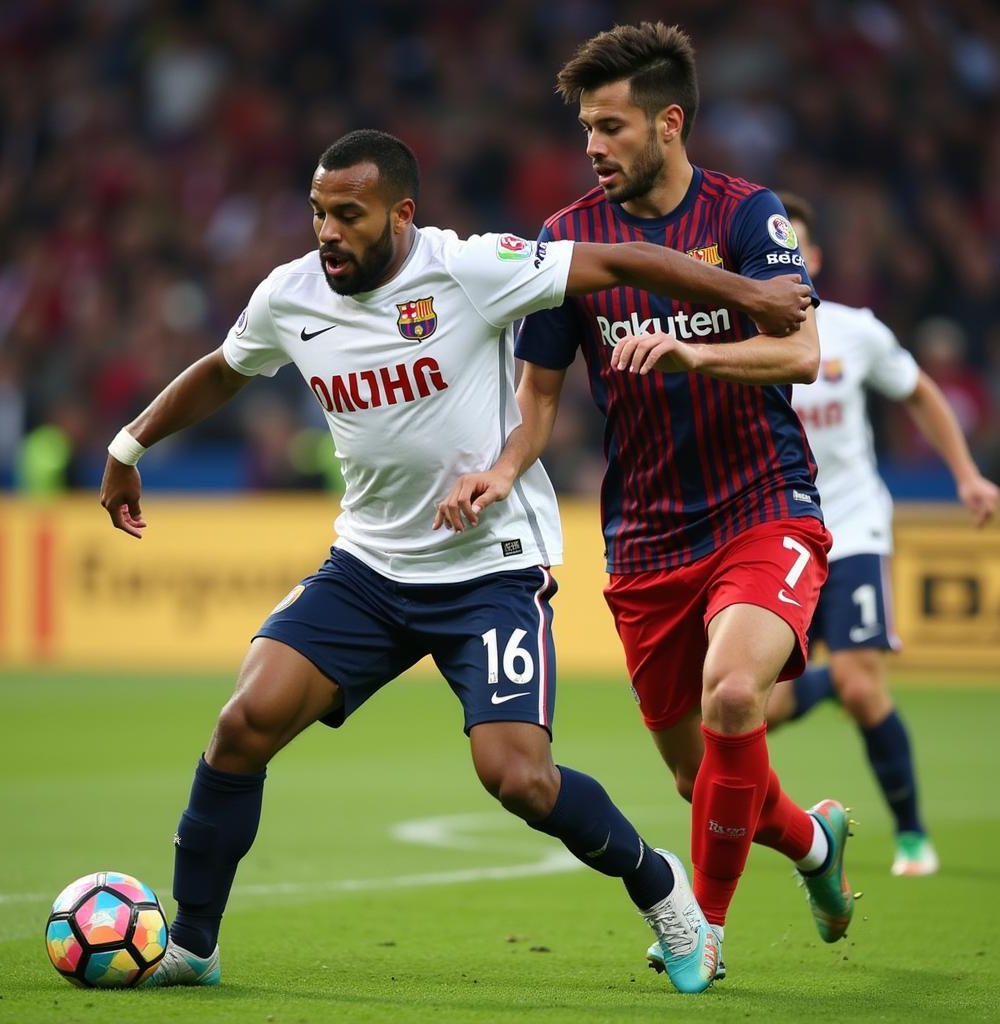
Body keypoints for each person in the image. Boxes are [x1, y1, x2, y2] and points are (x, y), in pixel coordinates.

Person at [99, 129, 811, 994]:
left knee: (518, 779)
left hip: (489, 570)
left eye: (348, 215)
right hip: (368, 567)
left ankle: (661, 889)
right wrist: (130, 443)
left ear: (400, 214)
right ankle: (194, 946)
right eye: (319, 212)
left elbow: (622, 264)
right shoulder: (291, 294)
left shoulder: (471, 269)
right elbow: (225, 369)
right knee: (244, 723)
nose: (327, 231)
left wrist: (751, 295)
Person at [439, 23, 855, 988]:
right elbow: (538, 399)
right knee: (696, 778)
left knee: (737, 693)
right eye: (587, 127)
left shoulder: (747, 213)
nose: (593, 145)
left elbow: (799, 351)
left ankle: (700, 927)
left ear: (669, 124)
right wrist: (503, 473)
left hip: (763, 505)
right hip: (646, 534)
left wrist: (694, 351)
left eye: (612, 126)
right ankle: (815, 847)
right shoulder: (566, 241)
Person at [763, 193, 999, 876]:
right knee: (765, 706)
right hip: (778, 536)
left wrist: (967, 475)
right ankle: (825, 691)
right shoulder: (741, 334)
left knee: (867, 690)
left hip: (854, 526)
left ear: (814, 257)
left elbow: (919, 391)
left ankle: (913, 834)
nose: (790, 258)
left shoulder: (853, 331)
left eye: (799, 247)